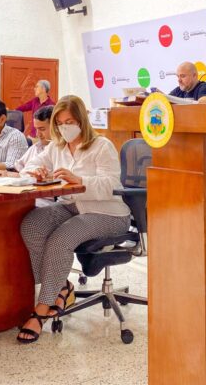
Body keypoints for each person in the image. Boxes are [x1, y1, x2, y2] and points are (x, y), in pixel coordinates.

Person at [16, 95, 129, 344]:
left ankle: (41, 311)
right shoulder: (56, 147)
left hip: (108, 212)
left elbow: (111, 185)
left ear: (82, 120)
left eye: (70, 121)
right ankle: (61, 287)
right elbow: (26, 167)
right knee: (31, 225)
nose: (65, 127)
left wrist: (79, 180)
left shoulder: (101, 145)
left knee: (60, 240)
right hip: (73, 207)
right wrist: (34, 171)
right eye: (60, 122)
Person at [14, 105, 53, 172]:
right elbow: (18, 165)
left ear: (55, 127)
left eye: (42, 129)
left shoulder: (59, 150)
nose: (37, 134)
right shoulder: (35, 147)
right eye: (36, 129)